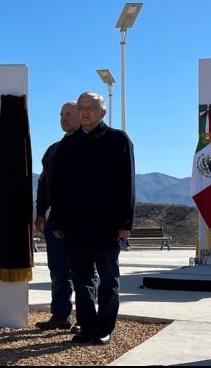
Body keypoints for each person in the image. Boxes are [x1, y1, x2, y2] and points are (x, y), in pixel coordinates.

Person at [50, 91, 135, 346]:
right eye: (82, 107)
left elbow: (127, 183)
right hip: (75, 226)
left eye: (91, 107)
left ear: (103, 112)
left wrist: (125, 223)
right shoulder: (67, 144)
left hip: (107, 226)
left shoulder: (118, 140)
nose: (85, 112)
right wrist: (57, 222)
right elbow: (58, 187)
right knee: (81, 279)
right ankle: (87, 327)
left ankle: (104, 329)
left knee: (109, 279)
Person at [34, 101, 79, 331]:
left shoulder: (90, 147)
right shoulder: (53, 150)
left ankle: (85, 318)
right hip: (54, 219)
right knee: (58, 269)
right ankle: (60, 315)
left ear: (82, 115)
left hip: (82, 221)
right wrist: (40, 211)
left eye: (68, 114)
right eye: (61, 114)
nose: (63, 118)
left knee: (84, 271)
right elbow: (44, 184)